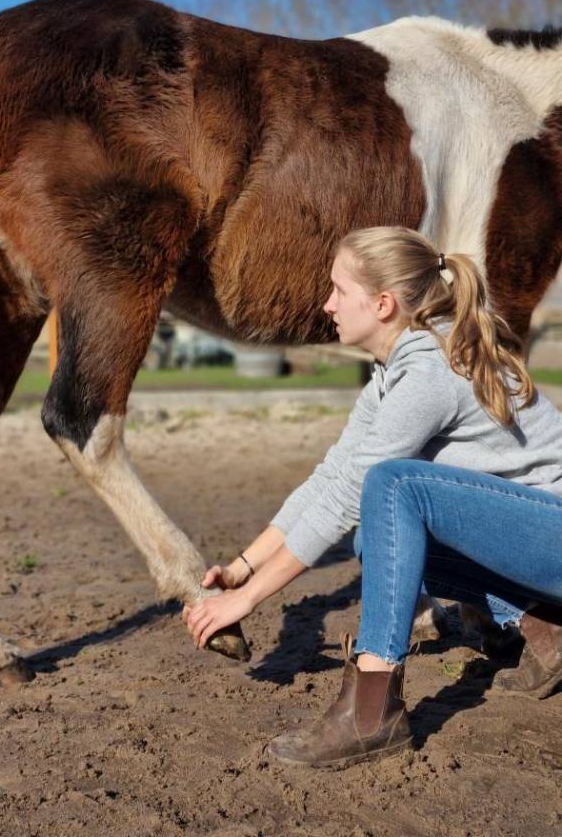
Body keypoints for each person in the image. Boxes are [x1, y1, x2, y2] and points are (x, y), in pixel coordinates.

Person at [185, 226, 562, 768]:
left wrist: (247, 602)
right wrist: (243, 568)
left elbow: (350, 495)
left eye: (339, 290)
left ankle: (372, 707)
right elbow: (332, 478)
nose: (327, 303)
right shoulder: (393, 372)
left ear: (383, 304)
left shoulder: (429, 371)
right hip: (539, 550)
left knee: (392, 486)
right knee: (375, 538)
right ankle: (543, 623)